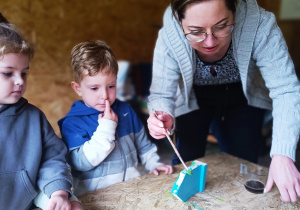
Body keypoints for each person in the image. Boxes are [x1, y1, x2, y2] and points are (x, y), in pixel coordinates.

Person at [147, 0, 300, 203]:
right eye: (195, 31)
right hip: (194, 97)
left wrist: (283, 154)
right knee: (186, 159)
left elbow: (286, 88)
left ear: (234, 11)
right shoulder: (169, 33)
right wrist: (161, 112)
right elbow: (161, 93)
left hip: (243, 97)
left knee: (244, 163)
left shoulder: (261, 23)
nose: (210, 42)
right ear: (179, 21)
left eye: (221, 27)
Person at [58, 40, 173, 196]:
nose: (104, 95)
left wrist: (154, 163)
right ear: (78, 88)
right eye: (94, 88)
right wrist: (106, 128)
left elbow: (143, 145)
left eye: (110, 86)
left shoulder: (126, 110)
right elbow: (80, 163)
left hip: (131, 189)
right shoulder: (73, 123)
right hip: (96, 198)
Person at [0, 22, 83, 209]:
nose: (20, 81)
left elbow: (52, 159)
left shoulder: (34, 117)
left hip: (28, 203)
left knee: (73, 205)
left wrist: (59, 193)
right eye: (8, 73)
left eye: (24, 73)